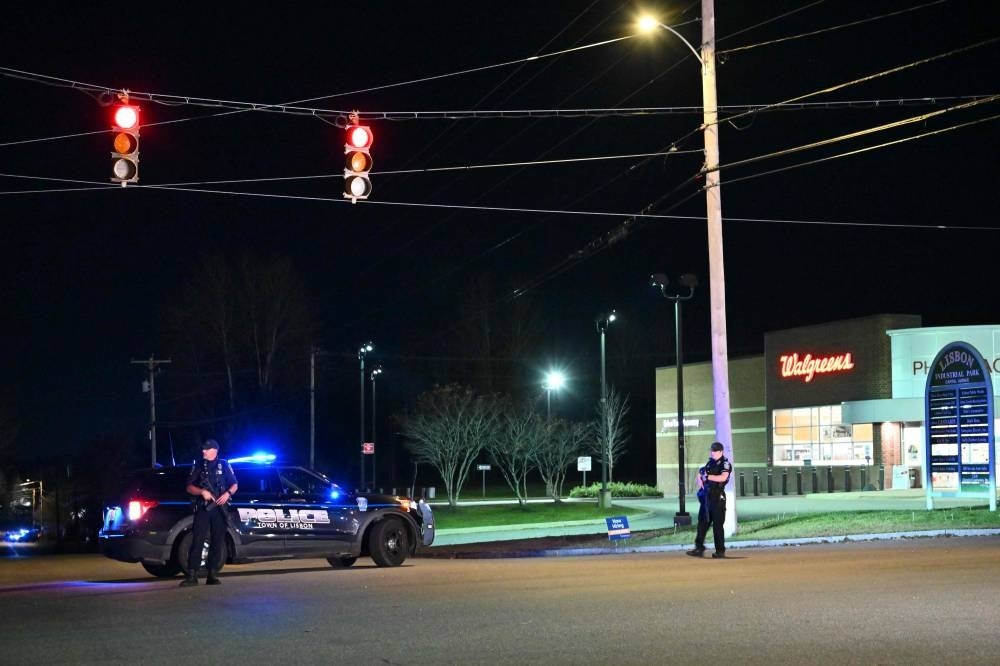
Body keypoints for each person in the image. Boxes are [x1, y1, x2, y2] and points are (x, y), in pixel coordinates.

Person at [179, 439, 238, 587]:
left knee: (217, 541)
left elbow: (235, 484)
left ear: (214, 451)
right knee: (197, 540)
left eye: (206, 449)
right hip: (204, 508)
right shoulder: (199, 464)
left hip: (219, 508)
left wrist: (227, 494)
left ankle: (212, 574)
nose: (203, 451)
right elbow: (189, 487)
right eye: (203, 449)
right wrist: (202, 491)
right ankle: (192, 575)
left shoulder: (224, 464)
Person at [686, 441, 732, 559]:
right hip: (707, 498)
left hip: (717, 498)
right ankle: (699, 548)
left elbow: (724, 477)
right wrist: (699, 478)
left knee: (717, 525)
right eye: (712, 450)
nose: (713, 453)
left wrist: (708, 477)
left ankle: (720, 551)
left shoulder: (725, 464)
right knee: (702, 524)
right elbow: (701, 472)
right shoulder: (710, 463)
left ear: (721, 451)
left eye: (715, 451)